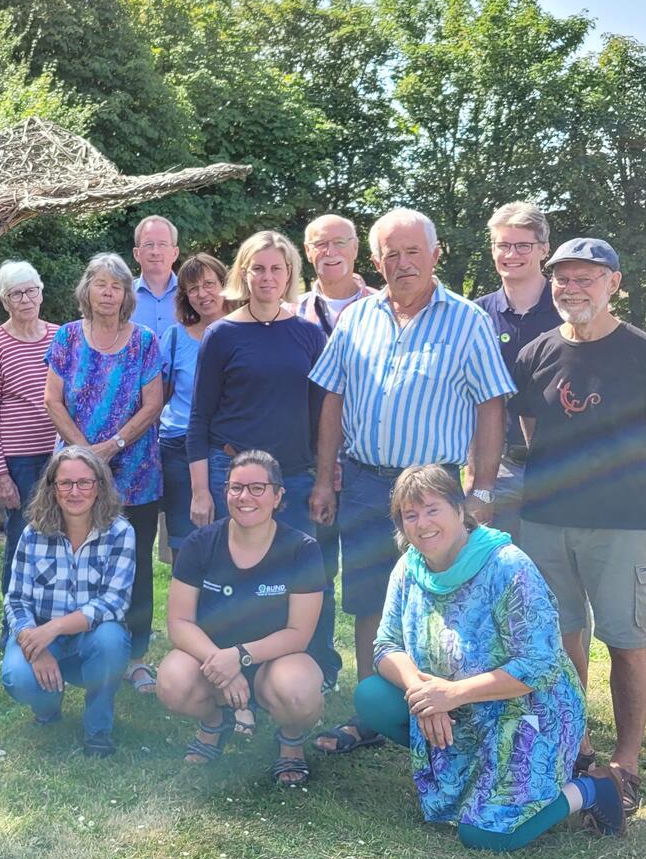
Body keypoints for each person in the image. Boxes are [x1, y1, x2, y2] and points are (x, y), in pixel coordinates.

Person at [308, 207, 513, 754]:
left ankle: (448, 709)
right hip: (365, 481)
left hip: (433, 490)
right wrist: (326, 479)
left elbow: (492, 403)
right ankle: (371, 714)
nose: (402, 264)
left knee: (442, 601)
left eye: (412, 252)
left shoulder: (468, 320)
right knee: (370, 599)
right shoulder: (356, 318)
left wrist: (484, 487)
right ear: (375, 262)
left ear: (435, 254)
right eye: (390, 255)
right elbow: (332, 397)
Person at [355, 465, 626, 850]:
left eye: (432, 510)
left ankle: (593, 788)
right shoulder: (408, 568)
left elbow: (539, 663)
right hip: (452, 703)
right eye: (410, 515)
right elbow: (385, 646)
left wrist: (453, 694)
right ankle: (474, 778)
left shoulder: (507, 566)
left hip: (528, 709)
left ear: (459, 509)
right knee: (372, 696)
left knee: (485, 836)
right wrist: (423, 693)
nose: (422, 524)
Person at [512, 238, 646, 811]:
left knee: (626, 641)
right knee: (560, 640)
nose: (572, 288)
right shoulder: (536, 353)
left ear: (614, 283)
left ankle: (626, 760)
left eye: (586, 278)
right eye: (563, 278)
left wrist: (637, 495)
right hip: (546, 519)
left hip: (620, 521)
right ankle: (576, 743)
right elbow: (534, 431)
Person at [185, 231, 336, 687]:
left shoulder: (309, 334)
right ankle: (224, 672)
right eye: (258, 268)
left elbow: (322, 415)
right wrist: (198, 491)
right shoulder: (222, 335)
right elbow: (199, 418)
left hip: (292, 478)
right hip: (228, 474)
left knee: (304, 579)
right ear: (243, 273)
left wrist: (324, 477)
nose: (267, 277)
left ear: (290, 273)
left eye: (277, 268)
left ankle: (310, 671)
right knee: (231, 578)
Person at [156, 450, 327, 785]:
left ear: (278, 496)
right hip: (211, 660)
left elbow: (298, 633)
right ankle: (214, 722)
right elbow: (178, 623)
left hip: (277, 661)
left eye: (257, 488)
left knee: (299, 693)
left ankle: (291, 740)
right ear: (225, 493)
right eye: (236, 488)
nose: (245, 497)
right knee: (172, 681)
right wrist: (220, 664)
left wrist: (240, 656)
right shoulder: (200, 543)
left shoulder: (302, 549)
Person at [45, 252, 165, 694]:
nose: (108, 292)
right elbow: (52, 400)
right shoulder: (67, 337)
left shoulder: (145, 341)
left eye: (117, 285)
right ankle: (76, 646)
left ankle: (134, 659)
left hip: (135, 474)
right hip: (76, 476)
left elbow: (154, 404)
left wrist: (112, 446)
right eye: (100, 284)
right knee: (74, 561)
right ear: (87, 291)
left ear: (127, 295)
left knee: (134, 567)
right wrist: (83, 452)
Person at [2, 446, 137, 758]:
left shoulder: (120, 533)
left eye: (84, 482)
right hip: (40, 635)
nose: (75, 492)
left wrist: (55, 628)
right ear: (52, 488)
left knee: (112, 640)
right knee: (17, 676)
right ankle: (47, 708)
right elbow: (16, 599)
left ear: (100, 486)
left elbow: (115, 602)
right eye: (65, 483)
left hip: (93, 638)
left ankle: (98, 729)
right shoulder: (32, 534)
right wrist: (33, 645)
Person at [473, 202, 560, 536]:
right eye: (502, 245)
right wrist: (476, 470)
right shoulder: (476, 315)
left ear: (543, 249)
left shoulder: (568, 306)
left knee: (559, 577)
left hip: (563, 469)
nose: (512, 254)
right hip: (500, 470)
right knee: (501, 574)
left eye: (523, 245)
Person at [0, 260, 59, 601]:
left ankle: (53, 614)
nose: (25, 299)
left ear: (41, 293)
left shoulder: (61, 336)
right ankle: (13, 625)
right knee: (22, 537)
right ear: (4, 301)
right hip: (20, 461)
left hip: (61, 455)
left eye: (31, 291)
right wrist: (0, 474)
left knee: (61, 535)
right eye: (16, 294)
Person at [157, 253, 231, 555]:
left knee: (228, 541)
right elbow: (159, 396)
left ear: (225, 285)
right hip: (179, 449)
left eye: (209, 284)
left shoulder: (245, 331)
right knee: (185, 545)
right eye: (193, 288)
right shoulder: (174, 338)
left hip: (226, 449)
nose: (202, 294)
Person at [295, 214, 374, 333]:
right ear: (308, 251)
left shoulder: (387, 308)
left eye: (339, 242)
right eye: (320, 244)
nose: (330, 252)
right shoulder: (291, 312)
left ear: (355, 247)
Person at [129, 215, 181, 338]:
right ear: (136, 254)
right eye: (148, 244)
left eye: (162, 244)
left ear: (175, 253)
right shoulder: (122, 296)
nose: (155, 252)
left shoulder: (191, 295)